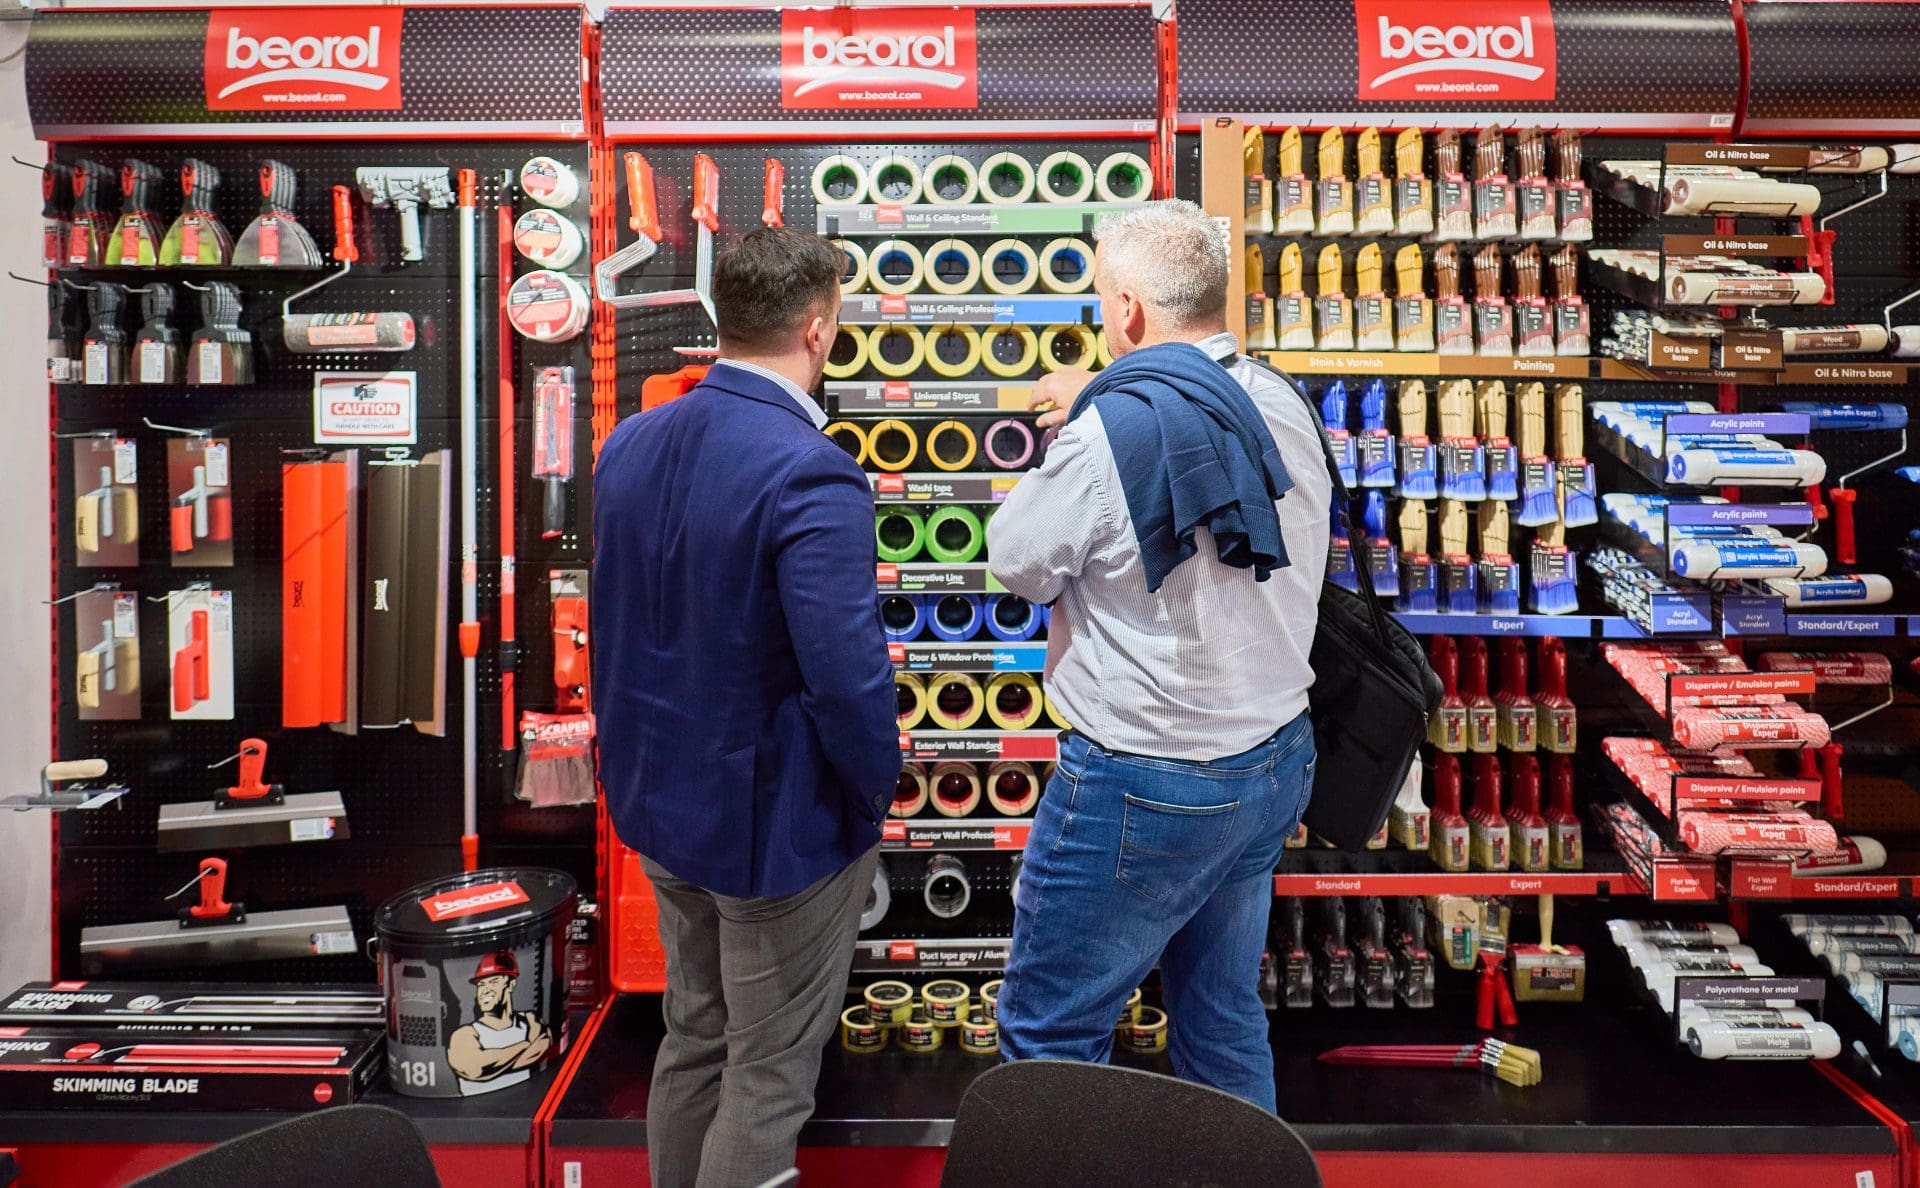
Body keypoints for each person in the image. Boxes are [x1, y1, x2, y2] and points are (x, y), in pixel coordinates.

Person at [987, 199, 1332, 1113]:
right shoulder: (1281, 400)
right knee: (1221, 1021)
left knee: (1049, 1038)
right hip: (1272, 761)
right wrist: (1101, 402)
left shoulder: (1108, 434)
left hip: (1146, 783)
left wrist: (1086, 425)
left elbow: (1016, 561)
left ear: (1129, 309)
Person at [593, 227, 901, 1188]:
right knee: (766, 1078)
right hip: (775, 831)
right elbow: (847, 676)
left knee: (695, 1035)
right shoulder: (811, 468)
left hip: (660, 810)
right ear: (818, 329)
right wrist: (872, 794)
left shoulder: (630, 442)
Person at [446, 951, 551, 1096]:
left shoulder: (529, 1020)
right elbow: (475, 1068)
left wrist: (494, 1065)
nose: (485, 990)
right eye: (481, 984)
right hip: (477, 1108)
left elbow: (543, 1047)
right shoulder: (464, 1035)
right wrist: (525, 1044)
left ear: (511, 984)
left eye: (493, 982)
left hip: (525, 1100)